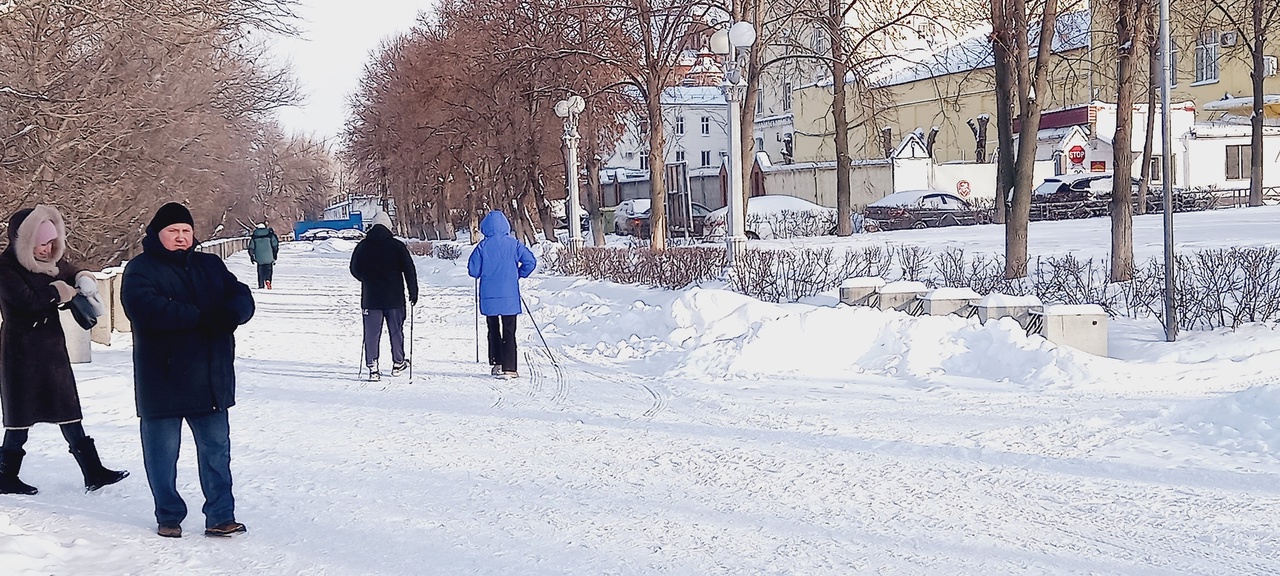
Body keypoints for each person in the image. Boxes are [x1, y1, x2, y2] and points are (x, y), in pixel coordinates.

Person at [120, 202, 254, 538]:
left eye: (185, 231)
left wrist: (231, 314)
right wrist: (200, 318)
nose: (181, 238)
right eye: (173, 232)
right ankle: (168, 515)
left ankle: (221, 516)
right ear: (157, 234)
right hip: (162, 378)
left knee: (216, 452)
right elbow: (145, 308)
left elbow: (241, 295)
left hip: (210, 376)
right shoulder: (140, 270)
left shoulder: (210, 265)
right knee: (162, 457)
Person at [0, 205, 128, 495]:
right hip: (20, 352)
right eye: (41, 243)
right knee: (20, 417)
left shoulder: (49, 262)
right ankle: (5, 474)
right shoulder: (6, 267)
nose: (47, 249)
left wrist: (82, 277)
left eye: (51, 243)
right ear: (25, 241)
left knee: (67, 408)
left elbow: (69, 271)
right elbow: (27, 300)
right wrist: (59, 291)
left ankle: (93, 471)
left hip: (51, 349)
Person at [349, 211, 418, 382]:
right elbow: (409, 270)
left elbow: (354, 268)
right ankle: (398, 362)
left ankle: (373, 367)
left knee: (371, 333)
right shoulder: (397, 246)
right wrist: (413, 292)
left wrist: (366, 278)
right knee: (396, 331)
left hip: (370, 298)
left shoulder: (363, 246)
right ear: (389, 226)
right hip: (394, 298)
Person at [467, 211, 536, 379]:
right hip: (509, 295)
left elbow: (473, 270)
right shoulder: (514, 244)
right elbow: (530, 262)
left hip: (489, 296)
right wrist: (518, 274)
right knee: (509, 330)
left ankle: (496, 362)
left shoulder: (482, 246)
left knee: (493, 329)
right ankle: (510, 367)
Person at [248, 222, 279, 290]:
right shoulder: (270, 234)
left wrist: (252, 257)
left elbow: (251, 248)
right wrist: (274, 254)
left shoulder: (254, 236)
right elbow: (275, 245)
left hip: (259, 257)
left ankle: (261, 284)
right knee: (268, 269)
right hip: (269, 255)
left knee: (260, 270)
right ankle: (268, 280)